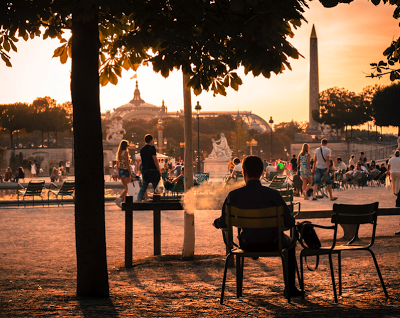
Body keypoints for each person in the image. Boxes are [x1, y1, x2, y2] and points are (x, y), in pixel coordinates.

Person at [213, 156, 301, 297]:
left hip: (247, 243)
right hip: (274, 243)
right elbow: (290, 222)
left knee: (248, 237)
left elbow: (223, 222)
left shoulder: (234, 195)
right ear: (262, 173)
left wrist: (216, 222)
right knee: (290, 245)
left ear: (244, 172)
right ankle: (290, 288)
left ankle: (239, 291)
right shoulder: (274, 195)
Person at [137, 134, 161, 201]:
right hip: (153, 170)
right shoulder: (152, 148)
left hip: (145, 170)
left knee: (144, 187)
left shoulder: (142, 149)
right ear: (151, 140)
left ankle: (139, 200)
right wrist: (159, 169)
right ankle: (157, 201)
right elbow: (155, 159)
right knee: (156, 187)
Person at [115, 139, 133, 207]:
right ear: (126, 146)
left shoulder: (119, 153)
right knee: (128, 187)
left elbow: (117, 164)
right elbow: (127, 163)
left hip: (120, 170)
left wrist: (118, 173)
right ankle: (119, 199)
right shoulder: (125, 152)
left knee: (125, 187)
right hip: (125, 170)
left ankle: (125, 203)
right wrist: (130, 172)